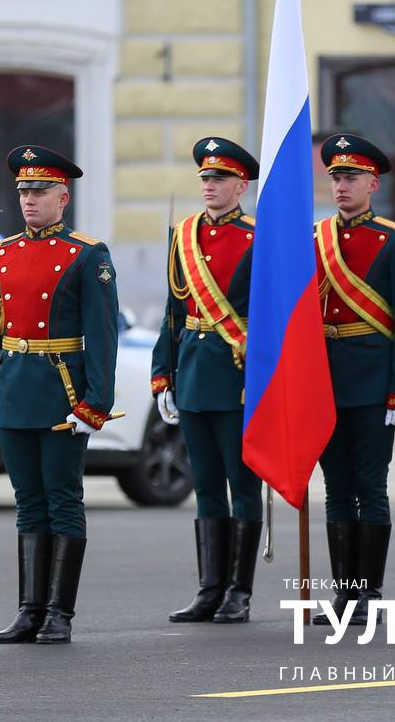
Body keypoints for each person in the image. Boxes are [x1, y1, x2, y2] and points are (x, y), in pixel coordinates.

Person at [0, 145, 118, 644]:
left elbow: (102, 336)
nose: (29, 200)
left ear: (64, 196)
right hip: (16, 389)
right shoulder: (3, 252)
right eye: (23, 192)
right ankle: (28, 610)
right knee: (26, 502)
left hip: (62, 393)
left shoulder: (86, 254)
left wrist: (94, 403)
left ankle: (59, 612)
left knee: (62, 499)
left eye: (39, 191)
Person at [310, 133, 395, 626]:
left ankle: (369, 591)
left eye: (350, 177)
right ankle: (344, 591)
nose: (341, 186)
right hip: (325, 379)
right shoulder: (315, 238)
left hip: (374, 380)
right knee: (336, 487)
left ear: (372, 183)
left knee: (370, 486)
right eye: (335, 177)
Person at [151, 137, 264, 624]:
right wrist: (163, 375)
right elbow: (174, 313)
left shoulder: (260, 238)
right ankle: (209, 588)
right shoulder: (184, 236)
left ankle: (238, 590)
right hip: (195, 372)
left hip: (238, 376)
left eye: (219, 179)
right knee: (206, 486)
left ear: (241, 185)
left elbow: (272, 318)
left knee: (242, 484)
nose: (210, 186)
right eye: (205, 178)